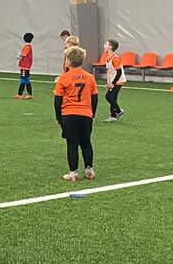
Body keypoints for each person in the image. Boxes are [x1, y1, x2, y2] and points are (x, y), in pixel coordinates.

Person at [54, 45, 98, 182]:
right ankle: (89, 170)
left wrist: (58, 117)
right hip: (86, 114)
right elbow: (94, 98)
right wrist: (92, 114)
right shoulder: (89, 77)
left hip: (69, 114)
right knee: (86, 143)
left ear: (68, 60)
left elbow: (58, 100)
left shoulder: (63, 78)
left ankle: (73, 173)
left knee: (72, 144)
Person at [100, 39, 125, 122]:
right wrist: (108, 83)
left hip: (118, 81)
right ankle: (113, 116)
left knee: (108, 96)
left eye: (106, 44)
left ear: (110, 47)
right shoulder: (108, 57)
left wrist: (113, 83)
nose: (104, 46)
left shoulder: (115, 58)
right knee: (112, 97)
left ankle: (118, 111)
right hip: (113, 82)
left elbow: (119, 72)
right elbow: (109, 72)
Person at [15, 33, 34, 99]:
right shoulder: (28, 46)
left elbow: (23, 54)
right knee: (26, 79)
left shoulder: (27, 47)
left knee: (23, 79)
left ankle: (20, 94)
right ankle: (30, 94)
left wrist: (19, 55)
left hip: (24, 66)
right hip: (26, 66)